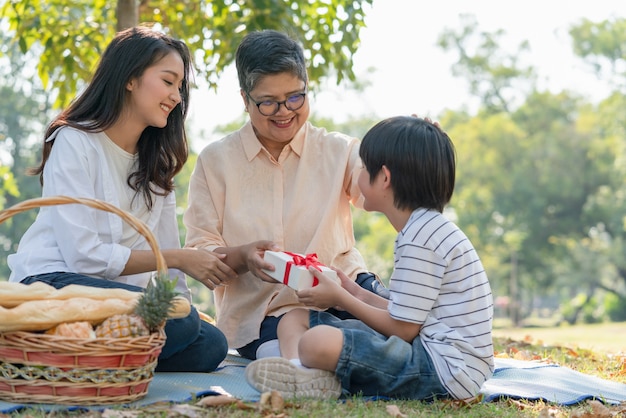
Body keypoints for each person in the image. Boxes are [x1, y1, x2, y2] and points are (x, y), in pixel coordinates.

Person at [7, 26, 230, 373]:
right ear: (130, 78)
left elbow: (169, 261)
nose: (176, 96)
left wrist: (181, 305)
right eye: (168, 81)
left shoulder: (157, 162)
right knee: (182, 328)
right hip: (56, 282)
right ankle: (97, 356)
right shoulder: (74, 141)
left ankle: (79, 357)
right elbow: (83, 257)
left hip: (110, 296)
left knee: (210, 343)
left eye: (180, 87)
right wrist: (182, 259)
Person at [244, 116, 495, 401]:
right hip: (427, 349)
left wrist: (342, 297)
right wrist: (350, 291)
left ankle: (306, 371)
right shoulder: (423, 229)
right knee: (294, 318)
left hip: (443, 369)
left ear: (384, 178)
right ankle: (300, 373)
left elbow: (402, 329)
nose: (357, 176)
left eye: (363, 167)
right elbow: (404, 311)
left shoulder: (421, 239)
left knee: (317, 341)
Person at [183, 29, 383, 361]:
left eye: (295, 97)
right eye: (268, 102)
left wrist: (411, 149)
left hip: (344, 290)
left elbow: (379, 186)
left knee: (404, 330)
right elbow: (200, 255)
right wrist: (244, 256)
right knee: (281, 353)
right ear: (245, 100)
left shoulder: (339, 150)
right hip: (261, 313)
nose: (284, 111)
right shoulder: (215, 161)